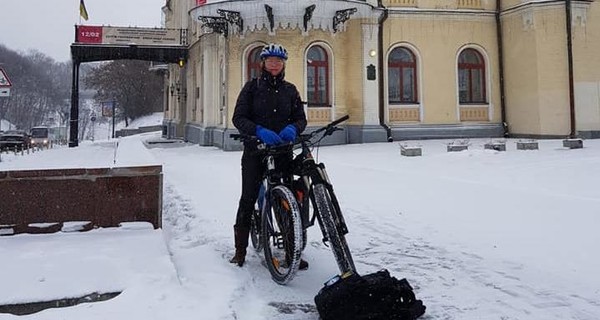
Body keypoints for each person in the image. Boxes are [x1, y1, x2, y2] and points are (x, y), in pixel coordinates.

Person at [230, 43, 308, 269]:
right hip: (256, 151)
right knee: (248, 197)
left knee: (287, 200)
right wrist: (258, 131)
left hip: (281, 151)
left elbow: (300, 118)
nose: (274, 64)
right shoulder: (251, 88)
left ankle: (292, 251)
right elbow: (239, 117)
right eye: (270, 60)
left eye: (279, 61)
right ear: (262, 63)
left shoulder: (290, 90)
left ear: (283, 64)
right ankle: (240, 251)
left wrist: (294, 128)